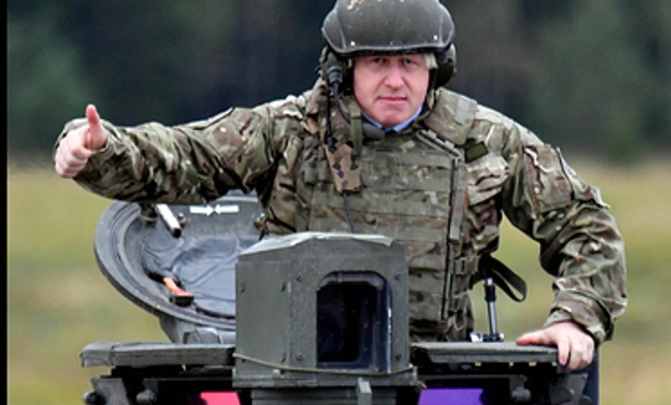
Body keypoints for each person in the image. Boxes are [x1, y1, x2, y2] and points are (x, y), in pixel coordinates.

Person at [54, 0, 626, 373]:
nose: (395, 80)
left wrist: (575, 317)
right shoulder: (290, 131)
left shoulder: (483, 141)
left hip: (436, 375)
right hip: (293, 373)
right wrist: (100, 149)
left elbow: (585, 223)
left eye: (410, 63)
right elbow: (186, 157)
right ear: (344, 68)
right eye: (377, 62)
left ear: (436, 66)